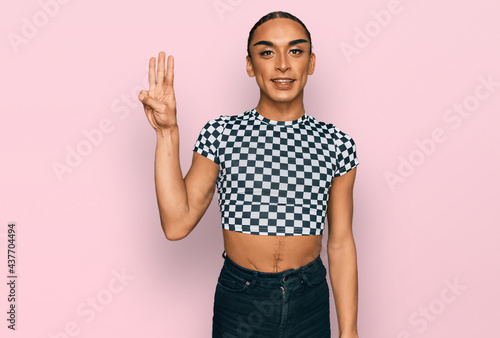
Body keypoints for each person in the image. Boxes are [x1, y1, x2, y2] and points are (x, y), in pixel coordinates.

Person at [138, 11, 359, 338]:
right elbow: (176, 224)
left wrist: (349, 331)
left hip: (308, 297)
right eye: (267, 52)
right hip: (241, 297)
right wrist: (167, 132)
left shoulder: (337, 144)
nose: (282, 64)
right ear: (250, 65)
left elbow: (340, 243)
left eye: (295, 51)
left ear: (310, 63)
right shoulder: (221, 134)